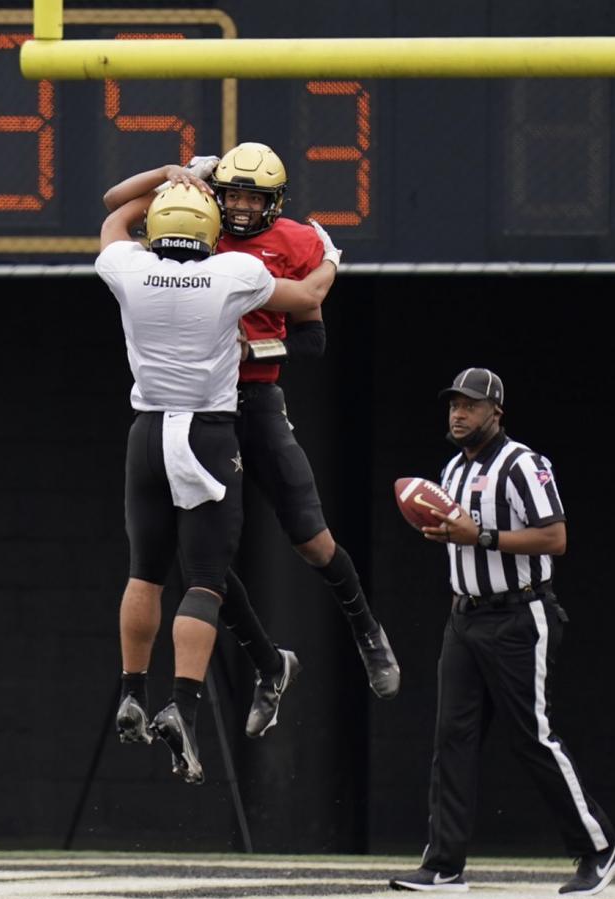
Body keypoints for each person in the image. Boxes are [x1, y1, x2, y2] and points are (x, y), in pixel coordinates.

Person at [103, 143, 400, 740]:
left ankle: (366, 628)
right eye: (231, 193)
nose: (238, 207)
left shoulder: (283, 245)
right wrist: (176, 175)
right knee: (202, 567)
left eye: (252, 198)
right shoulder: (194, 221)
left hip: (252, 400)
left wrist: (253, 349)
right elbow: (119, 206)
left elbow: (312, 340)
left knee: (311, 540)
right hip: (202, 416)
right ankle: (270, 665)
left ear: (275, 204)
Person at [98, 180, 334, 783]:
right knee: (204, 580)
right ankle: (183, 704)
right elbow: (307, 297)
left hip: (145, 433)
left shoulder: (129, 267)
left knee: (144, 570)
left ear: (156, 228)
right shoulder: (232, 272)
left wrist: (166, 177)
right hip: (206, 434)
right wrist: (329, 255)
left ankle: (130, 689)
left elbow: (113, 215)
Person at [388, 367, 615, 896]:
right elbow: (462, 537)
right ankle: (444, 863)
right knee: (450, 739)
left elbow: (556, 538)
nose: (458, 414)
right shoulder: (451, 469)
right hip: (465, 616)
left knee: (532, 738)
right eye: (453, 404)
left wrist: (484, 536)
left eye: (470, 406)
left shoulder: (525, 464)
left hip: (519, 615)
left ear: (496, 412)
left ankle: (600, 846)